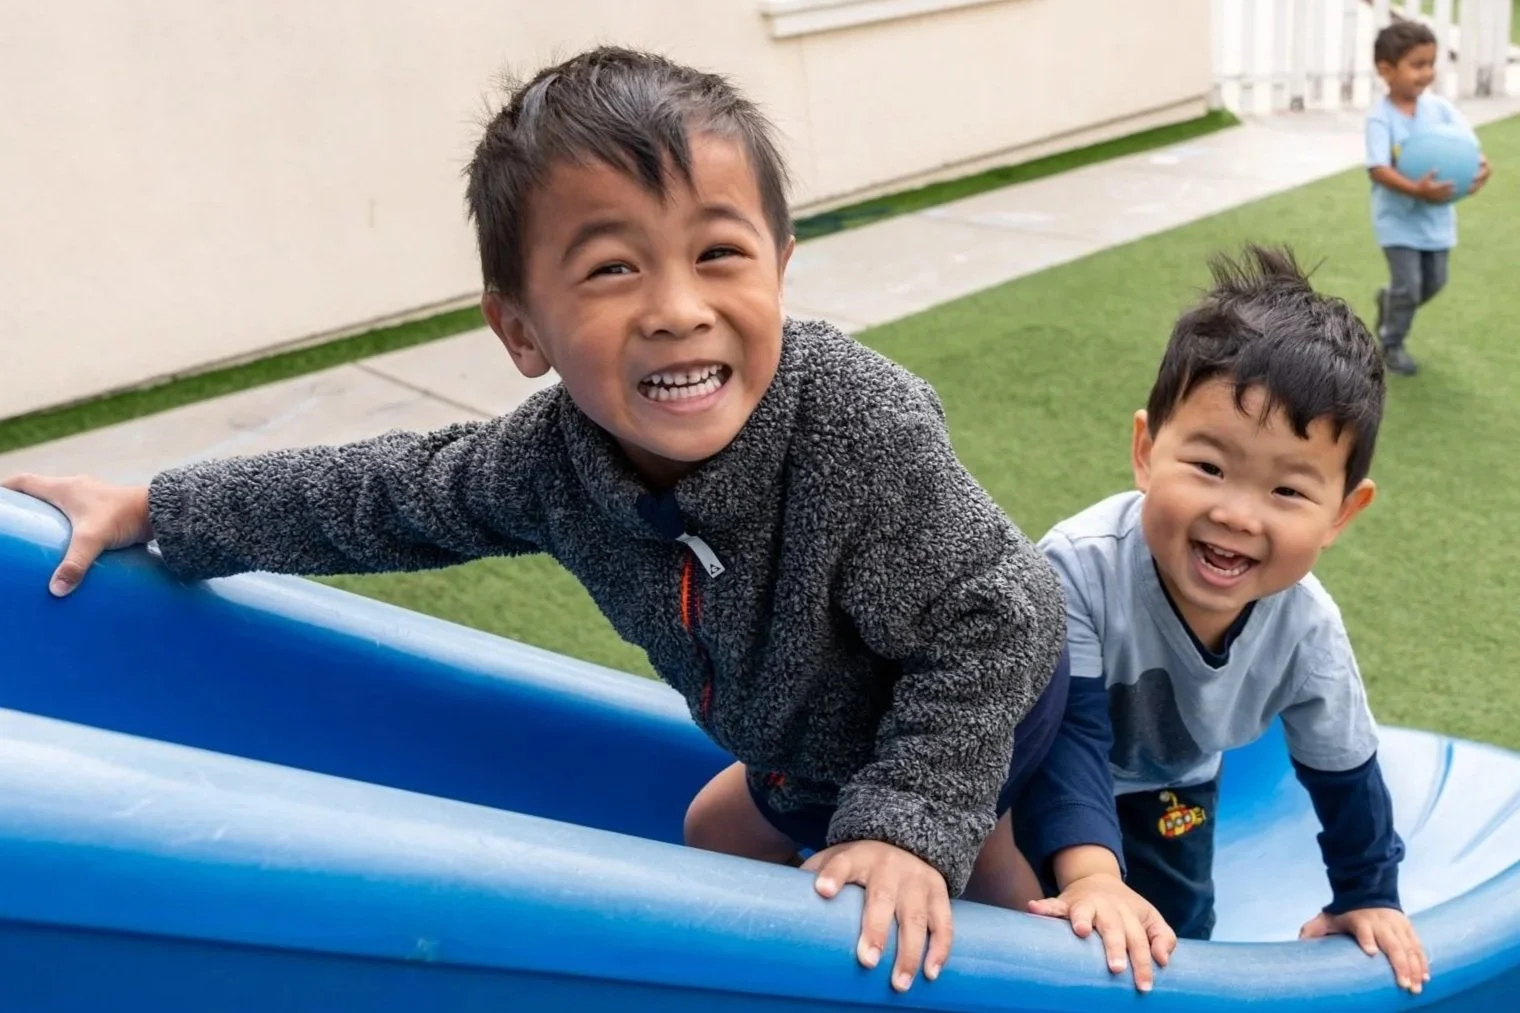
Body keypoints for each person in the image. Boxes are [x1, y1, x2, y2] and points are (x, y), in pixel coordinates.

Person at [3, 47, 1078, 993]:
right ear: (522, 330)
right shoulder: (547, 462)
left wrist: (907, 820)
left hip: (960, 705)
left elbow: (996, 620)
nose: (673, 306)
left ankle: (1046, 939)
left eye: (717, 253)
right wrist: (157, 504)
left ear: (778, 269)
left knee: (961, 882)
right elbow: (381, 497)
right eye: (611, 268)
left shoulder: (853, 424)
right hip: (798, 746)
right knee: (713, 832)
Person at [1015, 245, 1432, 994]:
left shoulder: (1306, 628)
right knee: (1043, 926)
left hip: (1172, 782)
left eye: (1288, 491)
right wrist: (1093, 875)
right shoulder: (1078, 568)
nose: (1236, 513)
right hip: (1033, 770)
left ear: (1343, 512)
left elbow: (1345, 766)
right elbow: (1068, 735)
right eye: (1208, 467)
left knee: (1176, 930)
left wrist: (1368, 891)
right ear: (1146, 450)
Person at [1365, 20, 1492, 376]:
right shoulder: (1380, 118)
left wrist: (1481, 170)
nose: (1426, 73)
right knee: (1410, 285)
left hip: (1436, 218)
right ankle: (1391, 343)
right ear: (1386, 70)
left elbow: (1470, 150)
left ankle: (1390, 302)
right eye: (1417, 65)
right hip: (1398, 221)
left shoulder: (1441, 110)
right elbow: (1377, 168)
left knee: (1434, 282)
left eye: (1430, 64)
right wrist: (1416, 189)